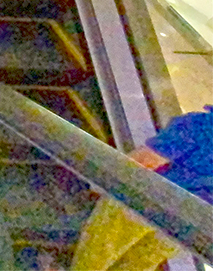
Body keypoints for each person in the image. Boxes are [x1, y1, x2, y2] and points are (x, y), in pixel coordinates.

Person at [69, 105, 212, 270]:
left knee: (90, 263)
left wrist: (97, 182)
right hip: (180, 228)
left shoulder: (201, 126)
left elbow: (143, 162)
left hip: (137, 204)